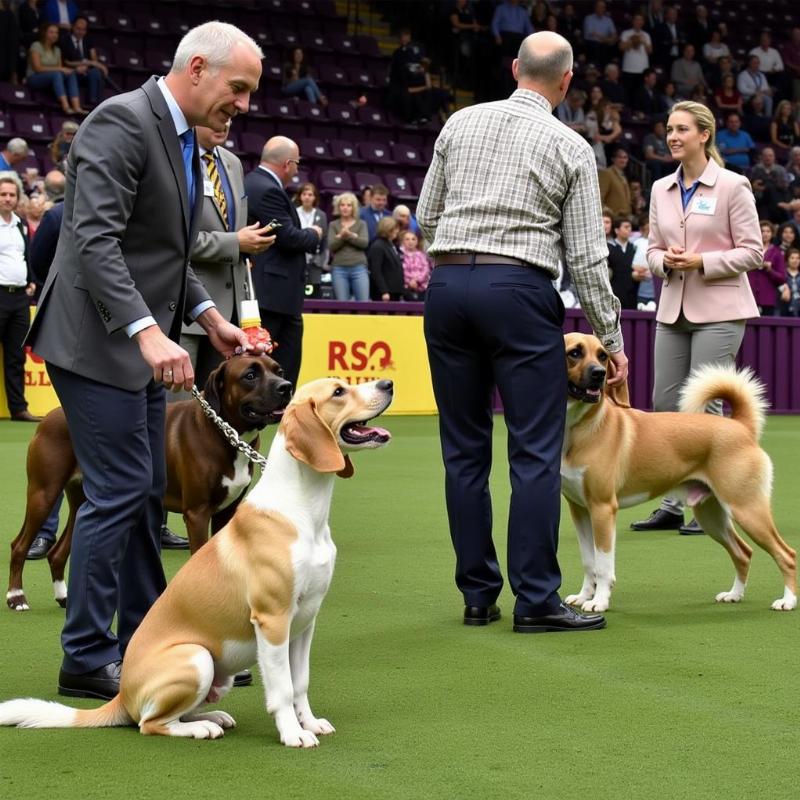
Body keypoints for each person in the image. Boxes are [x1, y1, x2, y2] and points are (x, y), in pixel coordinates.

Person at [26, 21, 265, 701]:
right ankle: (85, 654)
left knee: (143, 489)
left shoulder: (191, 141)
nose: (243, 102)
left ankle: (150, 634)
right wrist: (145, 331)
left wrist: (209, 319)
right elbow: (95, 239)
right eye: (237, 87)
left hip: (137, 347)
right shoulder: (120, 121)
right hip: (93, 344)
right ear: (197, 68)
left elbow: (168, 253)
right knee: (122, 491)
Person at [417, 31, 628, 634]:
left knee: (463, 451)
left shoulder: (459, 124)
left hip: (449, 287)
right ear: (566, 82)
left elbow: (428, 214)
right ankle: (536, 599)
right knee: (535, 452)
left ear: (514, 68)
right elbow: (588, 257)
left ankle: (478, 596)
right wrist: (610, 340)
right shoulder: (570, 144)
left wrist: (458, 262)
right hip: (520, 289)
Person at [631, 101, 762, 537]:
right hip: (673, 307)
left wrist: (701, 262)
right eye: (669, 129)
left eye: (681, 129)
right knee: (665, 404)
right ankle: (670, 502)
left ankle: (703, 503)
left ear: (704, 134)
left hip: (720, 309)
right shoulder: (660, 188)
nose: (672, 136)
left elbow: (753, 252)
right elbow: (650, 248)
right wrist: (663, 262)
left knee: (702, 405)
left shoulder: (733, 185)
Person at [244, 136, 322, 390]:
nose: (298, 170)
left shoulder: (254, 182)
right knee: (275, 364)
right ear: (288, 164)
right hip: (275, 294)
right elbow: (287, 237)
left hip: (274, 292)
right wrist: (315, 234)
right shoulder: (267, 189)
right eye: (297, 164)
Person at [0, 176, 39, 423]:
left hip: (19, 299)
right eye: (3, 195)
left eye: (11, 195)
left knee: (17, 356)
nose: (7, 199)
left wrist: (32, 280)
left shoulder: (21, 225)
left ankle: (18, 408)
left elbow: (27, 257)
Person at [26, 22, 87, 116]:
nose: (55, 35)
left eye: (56, 32)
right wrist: (60, 69)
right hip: (34, 77)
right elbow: (37, 68)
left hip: (51, 78)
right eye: (51, 32)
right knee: (57, 73)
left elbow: (60, 69)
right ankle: (66, 106)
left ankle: (76, 107)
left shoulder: (57, 50)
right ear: (44, 33)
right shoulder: (36, 45)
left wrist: (69, 70)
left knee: (70, 73)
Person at [59, 14, 108, 107]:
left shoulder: (87, 40)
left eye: (83, 29)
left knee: (95, 72)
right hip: (71, 72)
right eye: (78, 28)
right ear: (72, 27)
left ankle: (93, 103)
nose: (80, 32)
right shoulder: (64, 40)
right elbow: (65, 62)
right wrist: (85, 64)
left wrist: (90, 66)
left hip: (86, 72)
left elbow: (94, 60)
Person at [328, 191, 369, 301]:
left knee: (363, 304)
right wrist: (344, 236)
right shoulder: (333, 225)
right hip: (339, 268)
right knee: (342, 305)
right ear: (338, 207)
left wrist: (348, 236)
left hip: (359, 268)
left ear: (353, 208)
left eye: (349, 205)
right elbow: (331, 246)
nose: (345, 208)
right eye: (342, 205)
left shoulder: (361, 224)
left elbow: (364, 243)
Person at [293, 182, 328, 299]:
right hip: (296, 258)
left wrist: (321, 260)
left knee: (314, 293)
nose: (307, 197)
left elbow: (324, 241)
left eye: (310, 194)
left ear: (315, 198)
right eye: (304, 194)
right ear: (300, 196)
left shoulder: (321, 215)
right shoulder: (294, 212)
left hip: (314, 261)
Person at [748, 220, 785, 317]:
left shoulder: (777, 252)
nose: (765, 234)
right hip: (750, 297)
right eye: (762, 231)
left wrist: (770, 270)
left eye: (768, 231)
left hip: (768, 299)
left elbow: (782, 278)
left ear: (772, 234)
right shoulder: (750, 249)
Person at [367, 216, 404, 301]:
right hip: (385, 293)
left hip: (394, 291)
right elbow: (376, 271)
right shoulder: (378, 246)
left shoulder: (390, 244)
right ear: (388, 229)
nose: (397, 231)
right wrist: (384, 291)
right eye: (395, 228)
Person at [607, 217, 638, 309]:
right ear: (617, 230)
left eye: (630, 227)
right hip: (615, 291)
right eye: (626, 227)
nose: (629, 229)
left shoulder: (634, 248)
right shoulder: (609, 248)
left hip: (632, 291)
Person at [598, 147, 632, 217]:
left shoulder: (623, 175)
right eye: (620, 157)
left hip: (625, 217)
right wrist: (607, 212)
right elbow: (599, 196)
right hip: (613, 218)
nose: (623, 160)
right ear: (613, 159)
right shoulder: (606, 173)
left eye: (625, 158)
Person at [399, 229, 431, 300]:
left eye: (413, 239)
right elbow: (401, 271)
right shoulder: (400, 255)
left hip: (421, 287)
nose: (411, 241)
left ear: (417, 241)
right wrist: (410, 281)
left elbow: (425, 270)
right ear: (402, 241)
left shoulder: (421, 255)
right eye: (407, 239)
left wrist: (416, 280)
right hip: (406, 287)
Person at [778, 247, 800, 316]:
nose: (795, 260)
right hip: (783, 311)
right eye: (792, 258)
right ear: (787, 259)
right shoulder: (781, 275)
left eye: (797, 258)